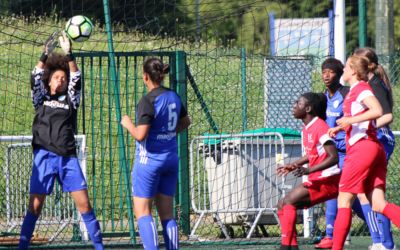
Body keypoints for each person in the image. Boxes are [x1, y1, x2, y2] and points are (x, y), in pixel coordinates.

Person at [19, 32, 103, 250]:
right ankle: (22, 246)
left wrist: (69, 55)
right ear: (49, 80)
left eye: (63, 78)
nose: (62, 79)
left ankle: (99, 246)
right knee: (35, 207)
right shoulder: (41, 99)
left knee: (84, 205)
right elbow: (35, 76)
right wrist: (43, 55)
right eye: (57, 77)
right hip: (44, 157)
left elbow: (77, 78)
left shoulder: (71, 100)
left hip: (67, 158)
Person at [329, 55, 400, 250]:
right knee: (378, 204)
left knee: (344, 199)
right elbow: (361, 120)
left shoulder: (360, 88)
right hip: (372, 148)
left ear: (353, 70)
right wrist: (340, 128)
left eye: (345, 67)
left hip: (363, 149)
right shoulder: (354, 91)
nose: (342, 70)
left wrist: (349, 121)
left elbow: (377, 110)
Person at [121, 57, 191, 250]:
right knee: (167, 214)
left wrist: (128, 124)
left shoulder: (148, 100)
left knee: (143, 212)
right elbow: (186, 121)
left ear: (145, 76)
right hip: (170, 159)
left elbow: (140, 135)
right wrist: (167, 134)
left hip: (149, 162)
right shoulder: (174, 96)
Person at [277, 92, 340, 250]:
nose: (294, 106)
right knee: (281, 204)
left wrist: (309, 170)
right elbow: (312, 153)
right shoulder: (307, 128)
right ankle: (292, 246)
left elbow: (333, 157)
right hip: (318, 179)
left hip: (327, 181)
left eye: (298, 103)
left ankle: (285, 247)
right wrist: (293, 164)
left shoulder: (320, 127)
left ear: (308, 108)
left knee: (289, 201)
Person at [353, 47, 396, 250]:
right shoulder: (364, 86)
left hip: (381, 140)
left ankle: (383, 242)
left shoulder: (375, 85)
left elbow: (387, 116)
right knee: (363, 194)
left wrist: (365, 125)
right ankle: (382, 240)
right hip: (373, 141)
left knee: (368, 193)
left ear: (366, 65)